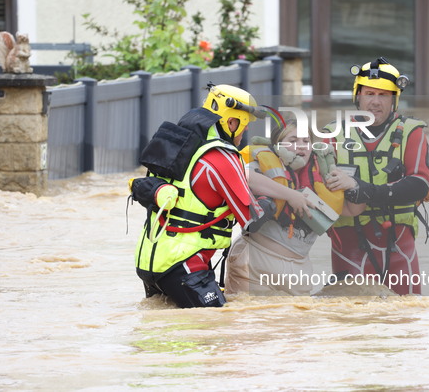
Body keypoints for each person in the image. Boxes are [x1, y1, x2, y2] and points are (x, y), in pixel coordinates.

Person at [130, 83, 267, 308]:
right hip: (184, 267)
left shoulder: (177, 143)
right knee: (216, 329)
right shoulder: (223, 157)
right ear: (231, 122)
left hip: (148, 263)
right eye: (244, 126)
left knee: (160, 333)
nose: (243, 134)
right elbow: (254, 221)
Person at [323, 57, 429, 295]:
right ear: (358, 96)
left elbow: (419, 185)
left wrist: (362, 190)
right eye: (369, 93)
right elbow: (313, 187)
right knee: (353, 322)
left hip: (399, 244)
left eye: (383, 95)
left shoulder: (411, 133)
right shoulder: (330, 135)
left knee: (406, 319)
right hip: (348, 244)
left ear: (394, 99)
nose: (375, 102)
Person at [224, 119, 365, 295]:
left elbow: (353, 210)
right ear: (277, 145)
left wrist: (352, 184)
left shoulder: (322, 173)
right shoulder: (261, 162)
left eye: (306, 141)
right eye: (292, 140)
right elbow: (241, 176)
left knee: (296, 321)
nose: (301, 146)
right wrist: (291, 195)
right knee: (251, 318)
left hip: (299, 269)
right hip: (255, 262)